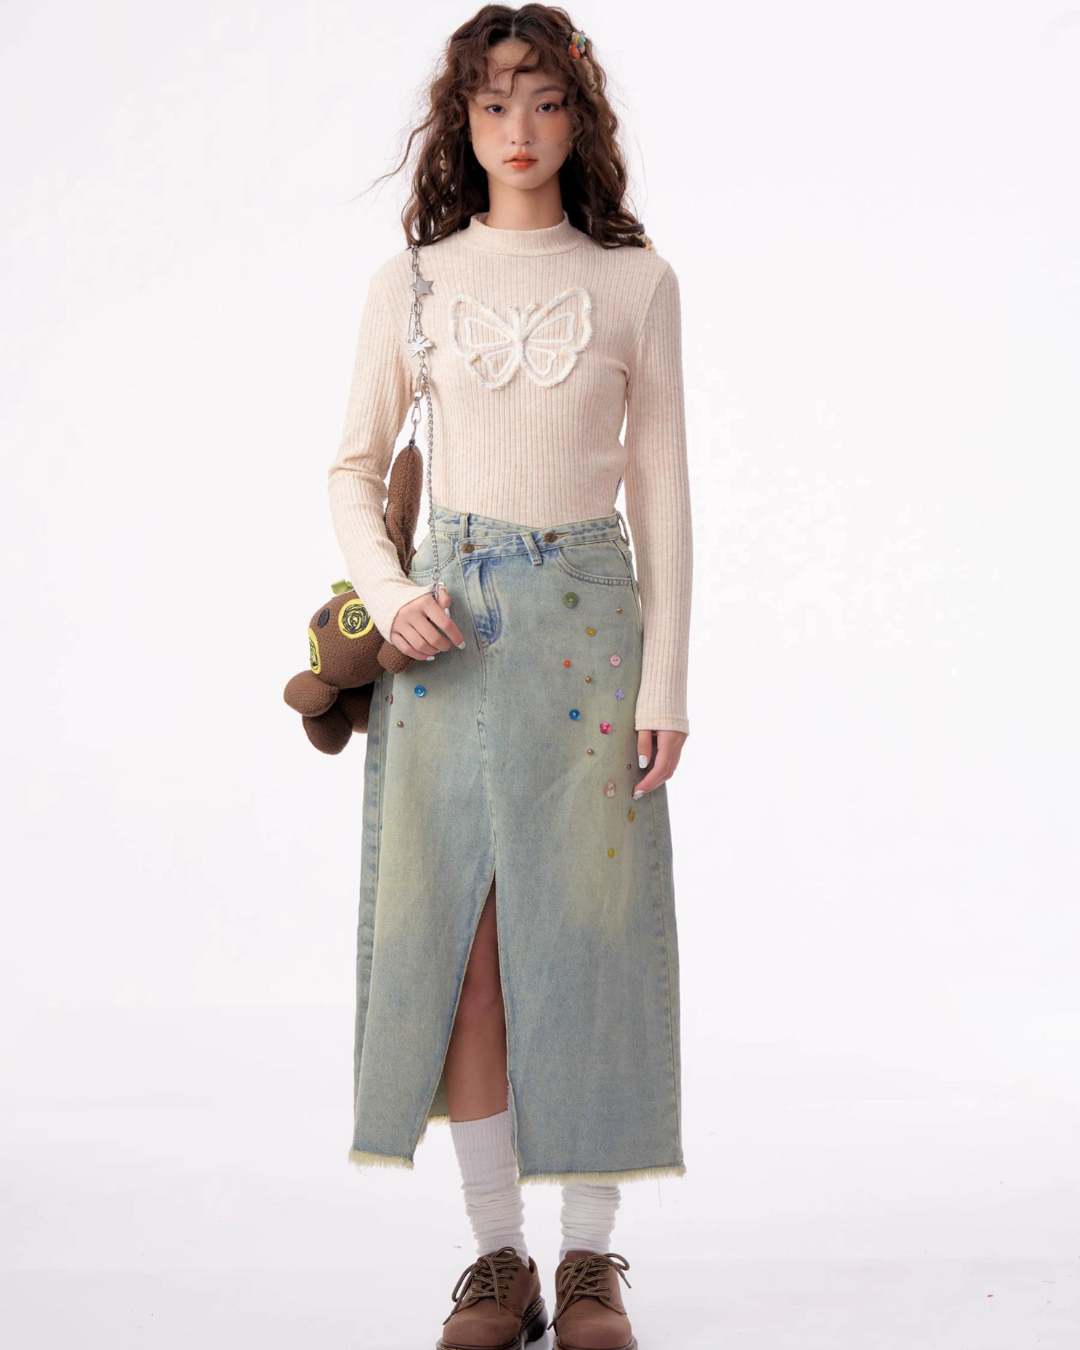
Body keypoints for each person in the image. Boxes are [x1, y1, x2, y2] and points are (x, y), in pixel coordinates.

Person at [326, 7, 693, 1347]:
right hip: (449, 639)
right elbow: (352, 469)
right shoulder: (414, 283)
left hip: (593, 633)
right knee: (467, 947)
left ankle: (590, 1260)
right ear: (463, 122)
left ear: (577, 117)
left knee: (592, 936)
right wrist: (391, 595)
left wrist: (669, 683)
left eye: (543, 102)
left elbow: (664, 492)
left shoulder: (635, 284)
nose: (519, 129)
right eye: (493, 105)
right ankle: (500, 1259)